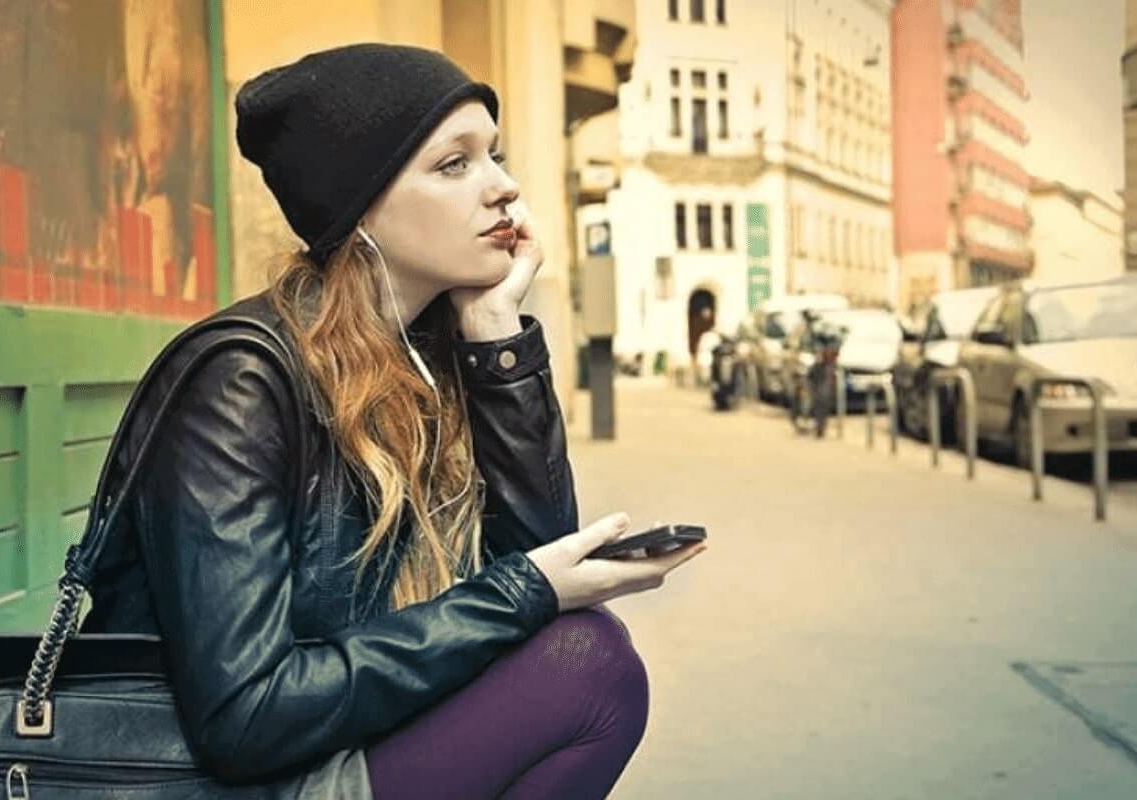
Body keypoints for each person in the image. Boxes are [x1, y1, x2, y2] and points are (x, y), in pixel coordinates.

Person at [81, 43, 707, 799]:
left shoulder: (427, 359)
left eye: (495, 156)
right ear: (361, 204)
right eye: (455, 164)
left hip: (345, 746)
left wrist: (498, 336)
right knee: (592, 669)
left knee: (587, 654)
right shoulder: (242, 383)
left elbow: (538, 576)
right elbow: (244, 716)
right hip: (236, 779)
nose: (505, 188)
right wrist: (524, 592)